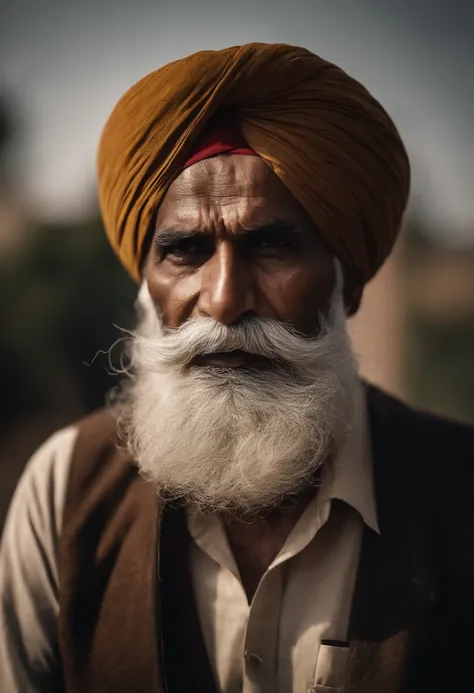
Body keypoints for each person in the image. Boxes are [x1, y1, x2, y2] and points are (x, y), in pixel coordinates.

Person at [1, 42, 473, 693]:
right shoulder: (63, 494)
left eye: (271, 245)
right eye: (186, 250)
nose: (223, 300)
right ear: (145, 289)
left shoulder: (460, 495)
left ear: (348, 284)